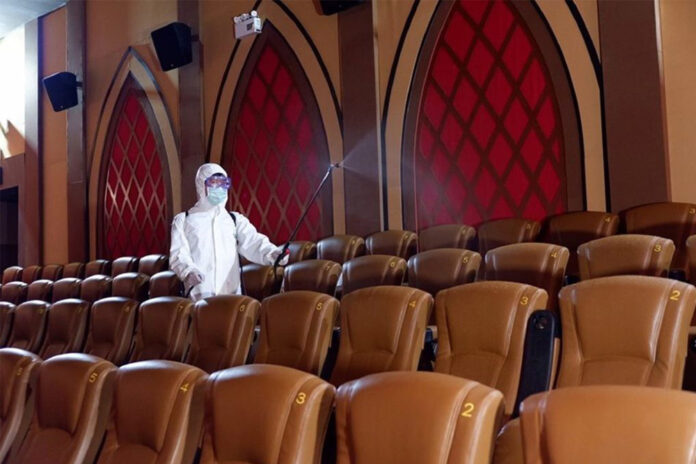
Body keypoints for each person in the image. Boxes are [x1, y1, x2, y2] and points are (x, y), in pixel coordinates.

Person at [170, 163, 288, 301]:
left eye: (224, 183)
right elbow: (179, 254)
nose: (219, 188)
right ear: (202, 185)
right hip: (199, 294)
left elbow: (253, 242)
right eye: (214, 183)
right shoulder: (184, 220)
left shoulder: (234, 220)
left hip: (231, 297)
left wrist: (272, 253)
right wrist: (188, 272)